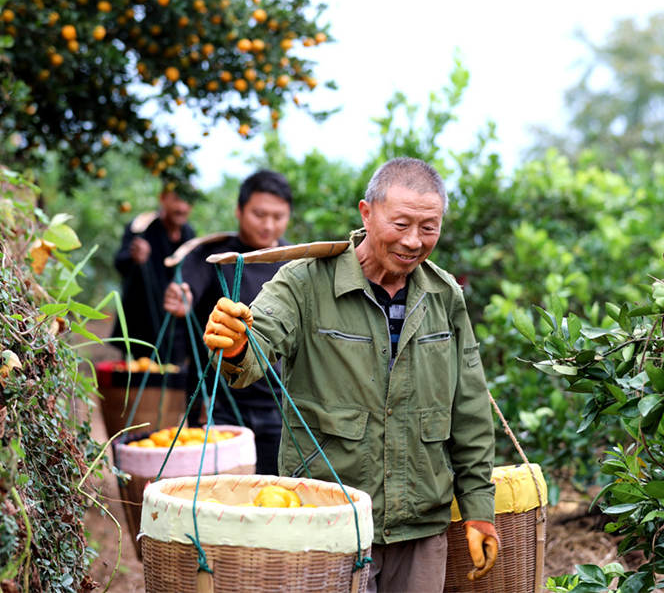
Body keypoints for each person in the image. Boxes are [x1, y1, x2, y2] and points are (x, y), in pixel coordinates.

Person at [201, 158, 499, 592]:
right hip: (329, 522)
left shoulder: (443, 294)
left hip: (420, 526)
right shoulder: (304, 282)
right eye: (401, 224)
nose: (414, 241)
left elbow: (469, 406)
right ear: (366, 212)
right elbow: (255, 347)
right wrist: (236, 345)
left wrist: (479, 510)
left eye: (429, 228)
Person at [164, 170, 292, 475]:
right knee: (221, 499)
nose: (268, 225)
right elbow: (187, 290)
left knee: (272, 495)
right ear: (239, 210)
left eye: (278, 216)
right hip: (219, 403)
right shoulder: (216, 257)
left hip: (280, 406)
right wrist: (181, 298)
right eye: (259, 214)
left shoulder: (294, 264)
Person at [111, 188, 195, 364]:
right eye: (176, 200)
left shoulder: (189, 234)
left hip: (173, 324)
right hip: (141, 323)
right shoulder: (142, 228)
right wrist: (135, 257)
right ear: (163, 198)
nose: (182, 207)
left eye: (186, 202)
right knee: (138, 374)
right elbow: (120, 262)